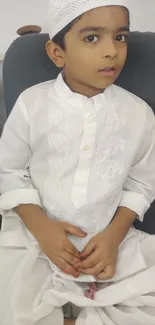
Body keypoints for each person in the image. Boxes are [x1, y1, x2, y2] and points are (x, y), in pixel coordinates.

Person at [0, 0, 155, 324]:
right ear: (58, 53)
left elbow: (143, 180)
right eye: (92, 38)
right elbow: (9, 169)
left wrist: (113, 236)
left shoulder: (138, 113)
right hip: (34, 236)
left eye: (121, 37)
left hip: (110, 241)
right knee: (20, 306)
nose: (112, 51)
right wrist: (41, 227)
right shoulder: (33, 103)